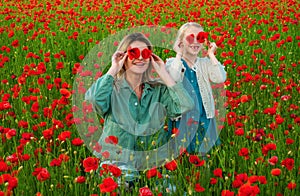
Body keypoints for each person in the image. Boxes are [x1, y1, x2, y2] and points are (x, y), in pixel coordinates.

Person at [85, 32, 194, 184]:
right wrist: (114, 68)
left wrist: (163, 73)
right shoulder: (112, 88)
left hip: (152, 164)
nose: (141, 57)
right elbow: (92, 99)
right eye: (134, 53)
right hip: (116, 161)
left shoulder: (159, 90)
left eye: (146, 53)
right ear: (124, 57)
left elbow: (185, 105)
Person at [166, 22, 227, 156]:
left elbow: (220, 78)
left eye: (200, 38)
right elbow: (173, 77)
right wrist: (178, 54)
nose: (195, 42)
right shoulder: (173, 62)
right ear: (180, 42)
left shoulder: (205, 63)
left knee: (203, 153)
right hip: (183, 118)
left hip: (203, 116)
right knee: (183, 154)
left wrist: (211, 55)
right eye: (190, 38)